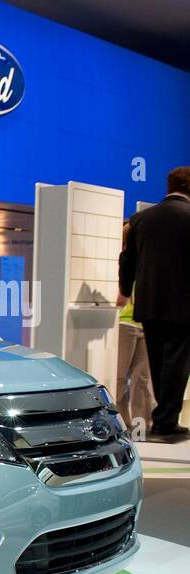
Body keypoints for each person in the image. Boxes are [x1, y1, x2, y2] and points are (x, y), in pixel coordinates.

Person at [119, 166, 190, 441]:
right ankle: (165, 421)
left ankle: (164, 417)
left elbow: (127, 260)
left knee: (159, 362)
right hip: (183, 305)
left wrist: (125, 291)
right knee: (177, 362)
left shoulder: (141, 219)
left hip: (148, 304)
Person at [115, 221, 155, 433]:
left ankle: (142, 428)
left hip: (145, 323)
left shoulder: (148, 261)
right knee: (120, 378)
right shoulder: (124, 260)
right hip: (123, 323)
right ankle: (124, 426)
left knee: (142, 379)